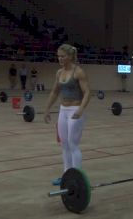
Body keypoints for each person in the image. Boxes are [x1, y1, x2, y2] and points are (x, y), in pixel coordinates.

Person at [43, 44, 91, 185]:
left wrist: (81, 109)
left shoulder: (79, 72)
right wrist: (47, 109)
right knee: (64, 144)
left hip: (75, 109)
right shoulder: (59, 73)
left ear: (70, 57)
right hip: (63, 110)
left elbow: (88, 92)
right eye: (58, 56)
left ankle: (77, 177)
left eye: (62, 56)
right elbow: (54, 92)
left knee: (73, 144)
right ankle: (66, 175)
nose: (60, 58)